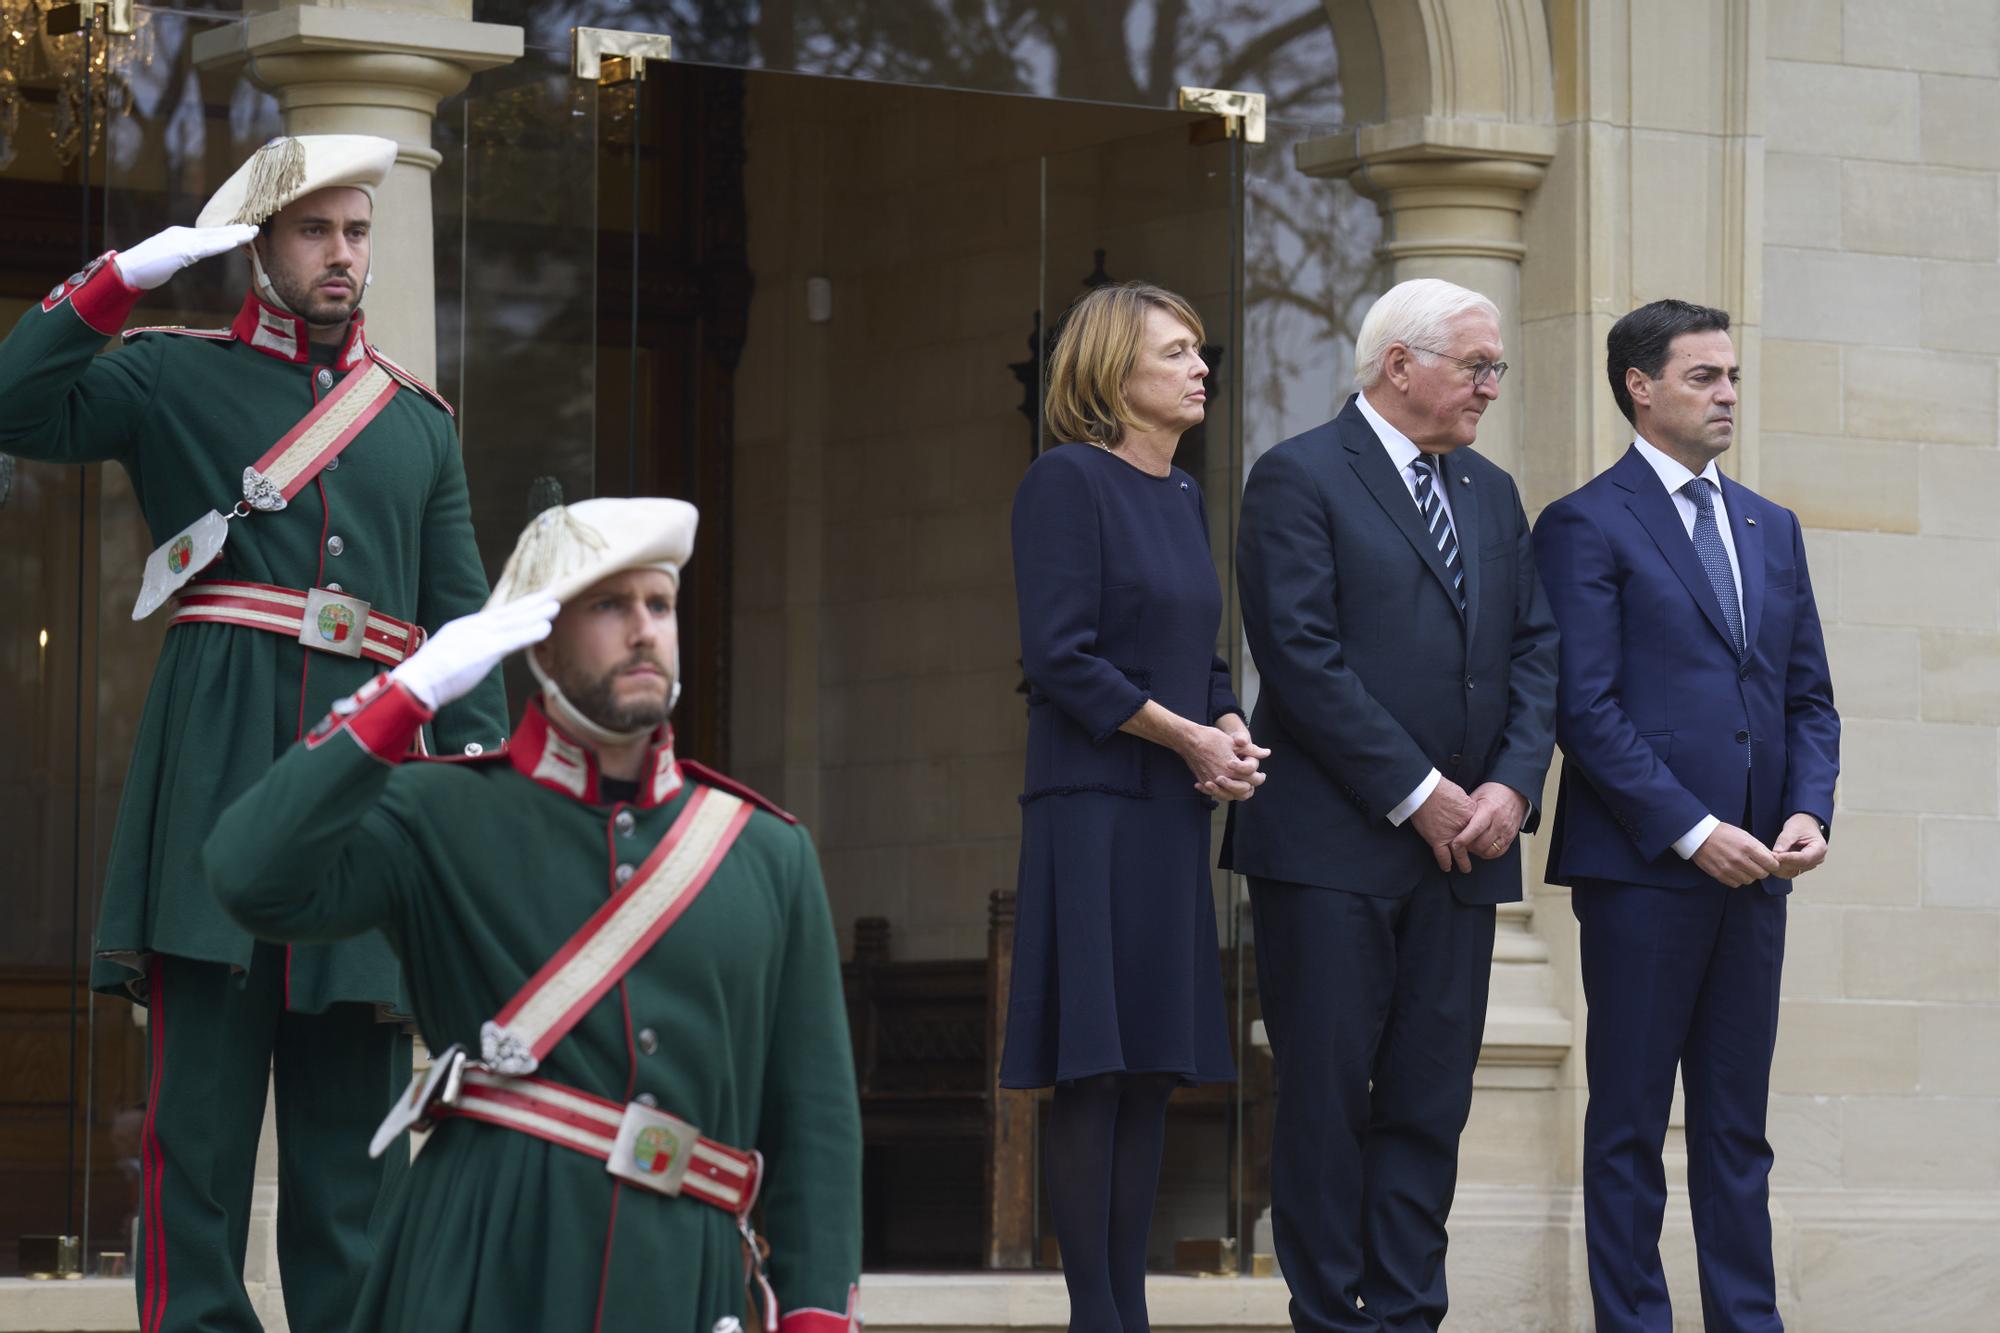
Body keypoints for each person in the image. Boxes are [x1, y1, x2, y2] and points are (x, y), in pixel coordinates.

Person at [0, 134, 507, 1331]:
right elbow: (16, 405)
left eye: (357, 231)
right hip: (216, 787)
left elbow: (463, 639)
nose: (344, 255)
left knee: (352, 1180)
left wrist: (480, 827)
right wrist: (124, 277)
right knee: (200, 1154)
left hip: (362, 822)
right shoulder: (172, 377)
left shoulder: (418, 424)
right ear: (260, 248)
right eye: (316, 231)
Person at [205, 497, 863, 1333]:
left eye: (658, 605)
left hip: (683, 1286)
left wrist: (812, 1320)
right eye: (607, 604)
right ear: (540, 641)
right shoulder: (438, 810)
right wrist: (401, 697)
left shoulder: (766, 854)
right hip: (481, 1268)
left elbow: (817, 1136)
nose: (643, 630)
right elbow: (246, 873)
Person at [1223, 277, 1559, 1331]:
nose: (1490, 387)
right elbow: (1300, 658)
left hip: (1461, 855)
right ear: (1398, 366)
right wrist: (1415, 793)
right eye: (1476, 366)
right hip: (1329, 850)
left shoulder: (1493, 494)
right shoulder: (1296, 478)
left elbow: (1534, 651)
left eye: (1493, 367)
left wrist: (1508, 781)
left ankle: (1409, 1313)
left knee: (1427, 1100)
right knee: (1326, 1101)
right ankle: (1329, 1316)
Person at [1532, 300, 1839, 1333]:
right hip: (1643, 872)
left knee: (1732, 1128)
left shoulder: (1769, 523)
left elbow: (1806, 698)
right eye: (1703, 377)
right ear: (1639, 386)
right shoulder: (1584, 522)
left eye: (1732, 377)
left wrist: (1805, 811)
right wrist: (1691, 828)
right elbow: (1585, 706)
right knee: (1625, 1123)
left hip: (1759, 870)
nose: (1725, 396)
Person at [1002, 281, 1265, 1332]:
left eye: (1198, 352)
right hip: (1090, 805)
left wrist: (1227, 722)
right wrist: (1185, 734)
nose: (1199, 368)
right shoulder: (1064, 482)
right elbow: (1057, 657)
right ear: (1111, 372)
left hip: (1165, 810)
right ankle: (1093, 1316)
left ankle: (1130, 1313)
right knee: (1095, 1064)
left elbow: (1195, 654)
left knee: (1151, 1062)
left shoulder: (1180, 494)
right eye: (1173, 353)